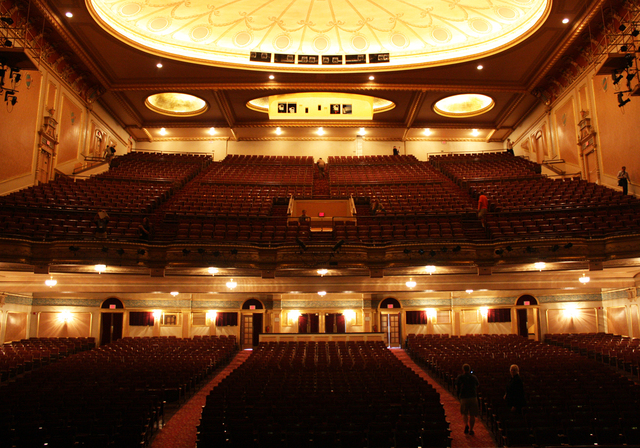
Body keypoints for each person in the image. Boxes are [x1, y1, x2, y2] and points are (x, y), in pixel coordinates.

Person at [455, 363, 480, 435]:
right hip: (473, 397)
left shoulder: (460, 377)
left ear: (463, 370)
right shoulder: (473, 377)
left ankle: (466, 424)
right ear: (469, 370)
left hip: (464, 397)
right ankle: (471, 429)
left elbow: (456, 386)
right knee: (472, 414)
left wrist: (459, 393)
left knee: (464, 413)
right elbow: (477, 385)